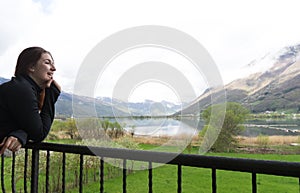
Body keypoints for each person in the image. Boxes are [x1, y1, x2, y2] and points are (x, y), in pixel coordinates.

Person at [0, 47, 61, 155]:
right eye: (47, 63)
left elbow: (28, 127)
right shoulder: (22, 89)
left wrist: (22, 134)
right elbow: (39, 133)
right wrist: (52, 94)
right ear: (31, 67)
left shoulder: (20, 87)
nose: (54, 68)